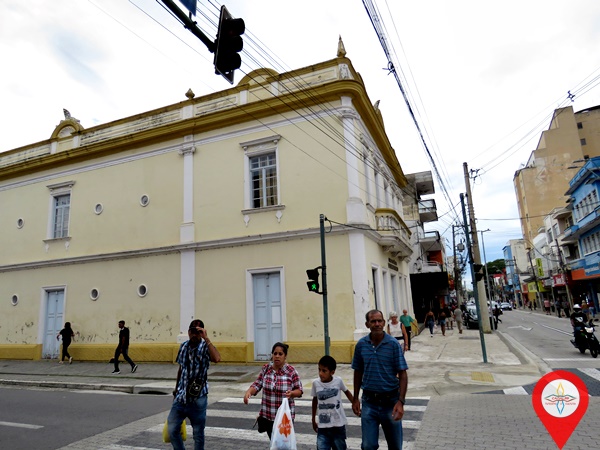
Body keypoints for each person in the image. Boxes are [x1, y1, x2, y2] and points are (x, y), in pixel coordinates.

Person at [352, 309, 408, 450]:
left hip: (391, 402)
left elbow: (402, 374)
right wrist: (355, 398)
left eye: (379, 321)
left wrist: (401, 402)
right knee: (368, 445)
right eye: (373, 321)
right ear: (367, 324)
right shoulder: (361, 345)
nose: (377, 324)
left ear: (384, 323)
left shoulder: (393, 344)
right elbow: (358, 372)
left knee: (395, 446)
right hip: (369, 402)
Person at [167, 319, 221, 450]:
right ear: (188, 332)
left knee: (198, 434)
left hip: (198, 398)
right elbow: (181, 369)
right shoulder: (183, 346)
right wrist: (176, 390)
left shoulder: (205, 347)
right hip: (181, 397)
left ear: (202, 332)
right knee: (172, 429)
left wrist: (206, 338)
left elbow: (217, 358)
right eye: (192, 331)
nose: (195, 335)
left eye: (198, 332)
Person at [244, 342, 303, 439]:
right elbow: (257, 384)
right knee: (274, 442)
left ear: (285, 356)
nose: (277, 356)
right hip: (268, 416)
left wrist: (292, 393)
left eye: (280, 354)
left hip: (284, 418)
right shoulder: (266, 369)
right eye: (275, 353)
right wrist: (249, 392)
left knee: (282, 444)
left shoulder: (291, 371)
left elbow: (299, 390)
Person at [311, 355, 354, 450]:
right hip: (323, 426)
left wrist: (354, 403)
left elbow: (347, 392)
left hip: (338, 425)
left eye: (324, 371)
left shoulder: (338, 381)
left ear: (332, 372)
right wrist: (313, 419)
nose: (320, 373)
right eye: (319, 370)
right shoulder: (315, 383)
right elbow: (315, 400)